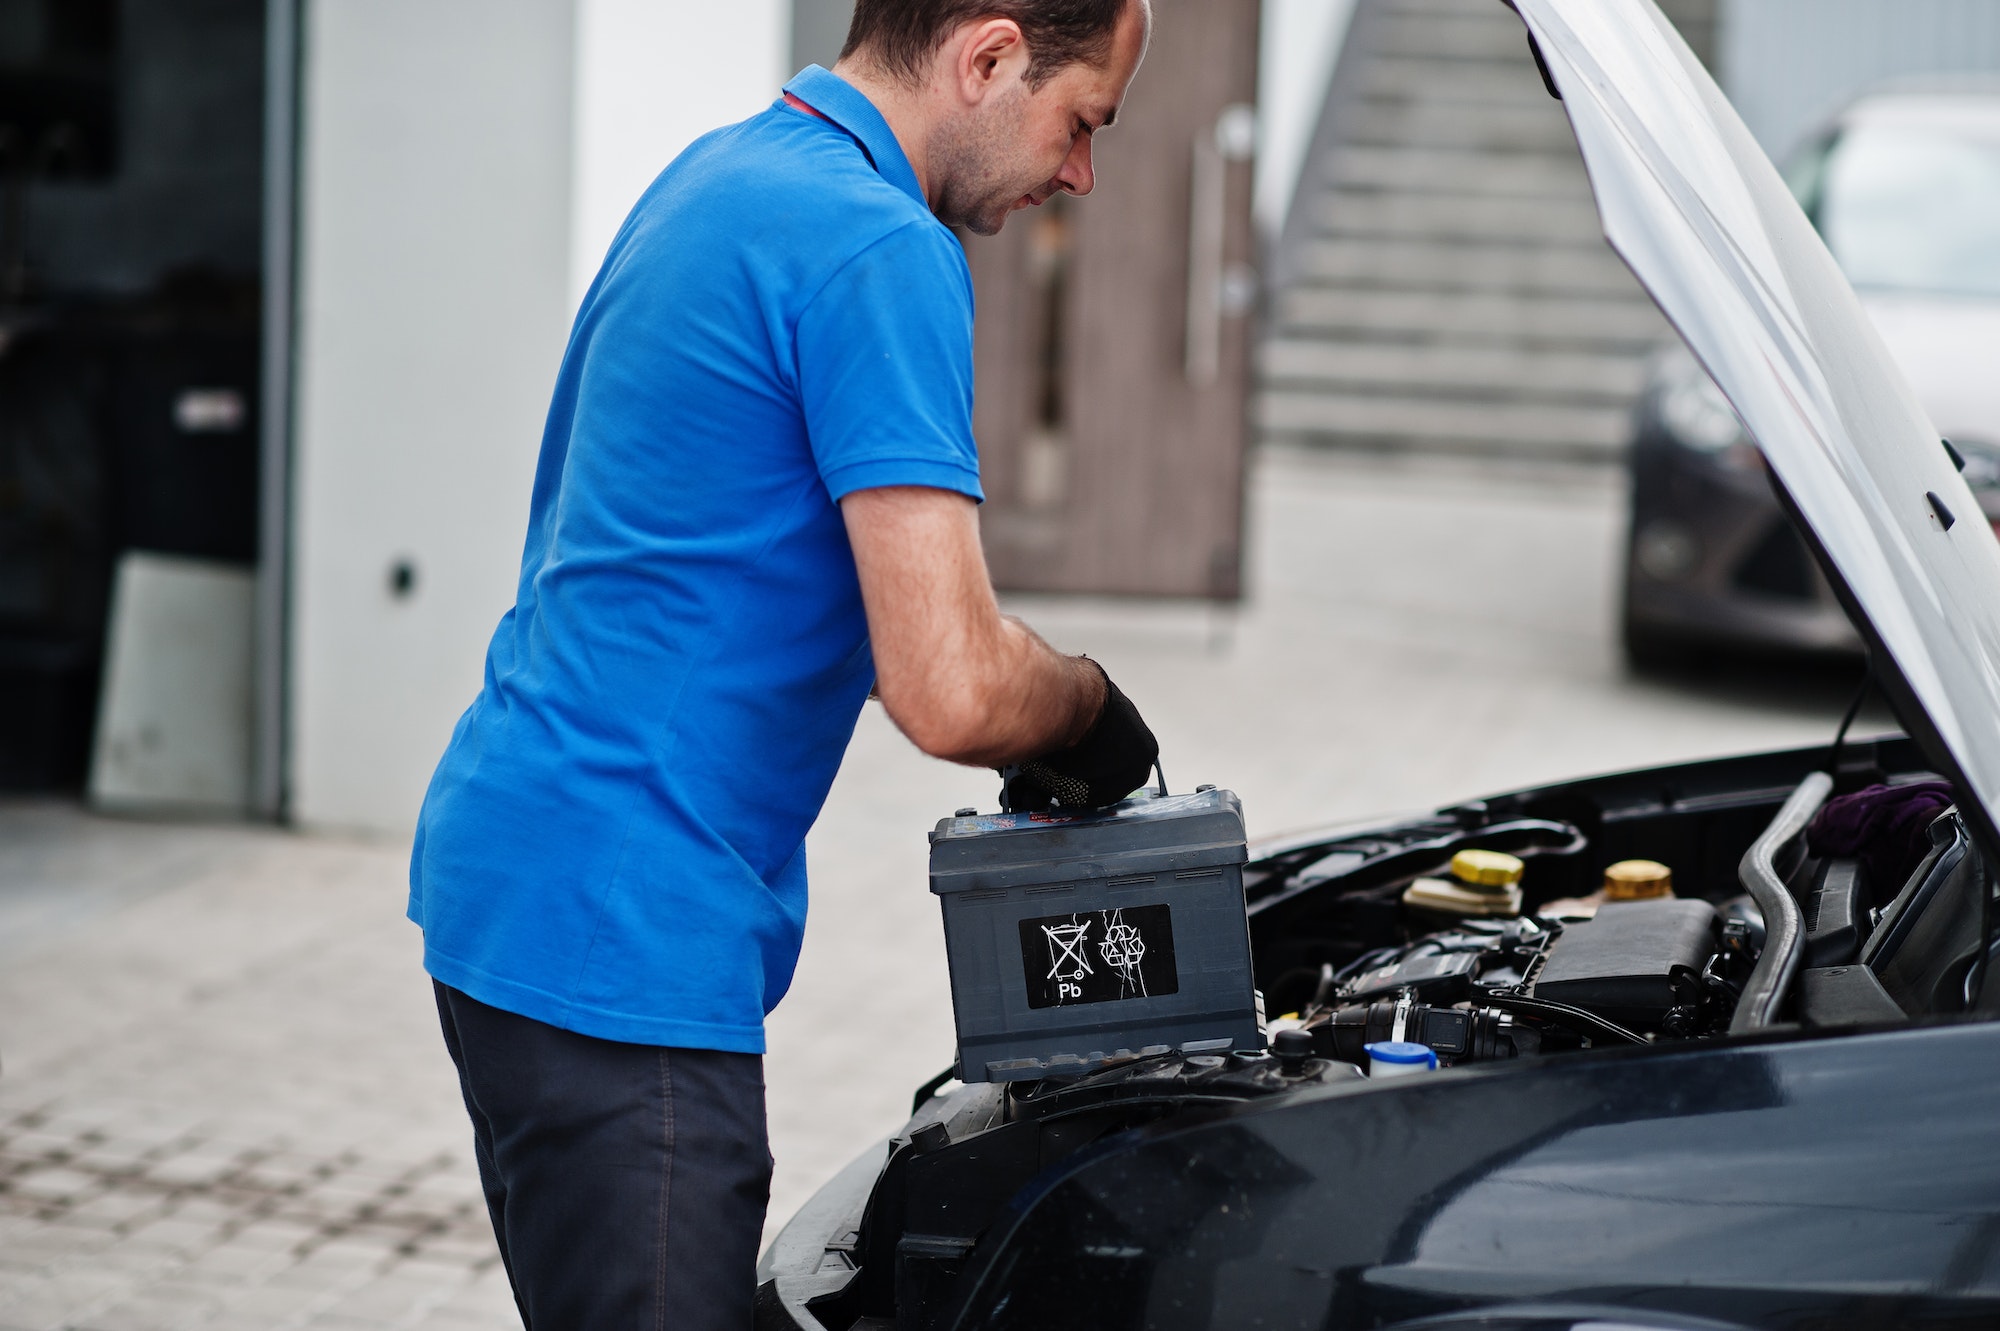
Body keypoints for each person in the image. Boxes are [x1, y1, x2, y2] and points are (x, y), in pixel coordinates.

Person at [406, 0, 1157, 1325]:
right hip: (623, 932)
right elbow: (950, 684)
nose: (1078, 174)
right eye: (1080, 120)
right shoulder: (879, 247)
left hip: (521, 872)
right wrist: (1094, 717)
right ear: (987, 58)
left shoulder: (728, 171)